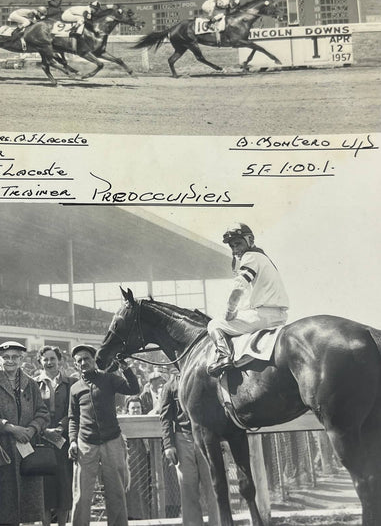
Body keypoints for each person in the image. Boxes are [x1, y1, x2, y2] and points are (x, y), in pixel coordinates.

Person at [68, 344, 140, 526]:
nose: (84, 362)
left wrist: (125, 368)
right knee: (82, 494)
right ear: (76, 365)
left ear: (94, 361)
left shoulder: (109, 379)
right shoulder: (75, 388)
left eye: (87, 359)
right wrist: (72, 442)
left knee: (116, 491)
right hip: (85, 443)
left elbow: (134, 389)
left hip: (112, 440)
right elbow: (73, 418)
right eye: (80, 360)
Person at [0, 341, 50, 526]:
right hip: (3, 449)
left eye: (14, 357)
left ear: (21, 359)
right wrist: (11, 428)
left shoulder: (31, 384)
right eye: (6, 357)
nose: (10, 361)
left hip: (28, 449)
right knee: (5, 506)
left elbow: (43, 413)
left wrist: (32, 429)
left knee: (29, 507)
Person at [207, 223, 289, 377]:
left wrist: (229, 311)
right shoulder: (263, 258)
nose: (235, 250)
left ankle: (224, 358)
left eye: (238, 243)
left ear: (250, 239)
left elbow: (238, 288)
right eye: (232, 246)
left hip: (263, 316)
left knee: (214, 323)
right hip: (277, 315)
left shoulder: (250, 256)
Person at [159, 371, 218, 526]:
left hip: (206, 436)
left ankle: (218, 523)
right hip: (182, 438)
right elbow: (165, 417)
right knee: (188, 487)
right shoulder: (170, 386)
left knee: (214, 485)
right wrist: (168, 444)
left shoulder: (203, 377)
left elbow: (217, 410)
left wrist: (221, 438)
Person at [35, 345, 77, 526]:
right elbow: (31, 411)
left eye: (53, 358)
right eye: (45, 359)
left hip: (64, 441)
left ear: (59, 360)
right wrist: (44, 430)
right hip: (42, 440)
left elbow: (74, 410)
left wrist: (61, 427)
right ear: (40, 362)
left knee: (64, 487)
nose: (49, 362)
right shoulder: (33, 383)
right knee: (44, 489)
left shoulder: (71, 383)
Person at [124, 396, 151, 520]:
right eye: (133, 408)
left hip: (143, 462)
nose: (136, 410)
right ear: (128, 410)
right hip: (129, 461)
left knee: (143, 489)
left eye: (138, 408)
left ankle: (144, 516)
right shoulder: (124, 423)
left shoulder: (145, 422)